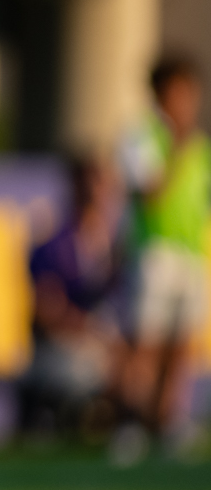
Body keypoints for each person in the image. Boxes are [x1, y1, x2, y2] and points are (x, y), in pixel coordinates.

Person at [113, 51, 208, 459]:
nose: (186, 102)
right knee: (146, 345)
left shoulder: (201, 147)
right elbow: (151, 194)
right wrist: (175, 148)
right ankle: (132, 424)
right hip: (155, 253)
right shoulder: (143, 138)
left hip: (193, 254)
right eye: (177, 92)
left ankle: (167, 421)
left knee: (180, 348)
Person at [19, 155, 123, 438]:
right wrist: (90, 330)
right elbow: (45, 310)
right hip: (62, 348)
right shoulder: (55, 245)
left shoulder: (112, 244)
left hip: (103, 345)